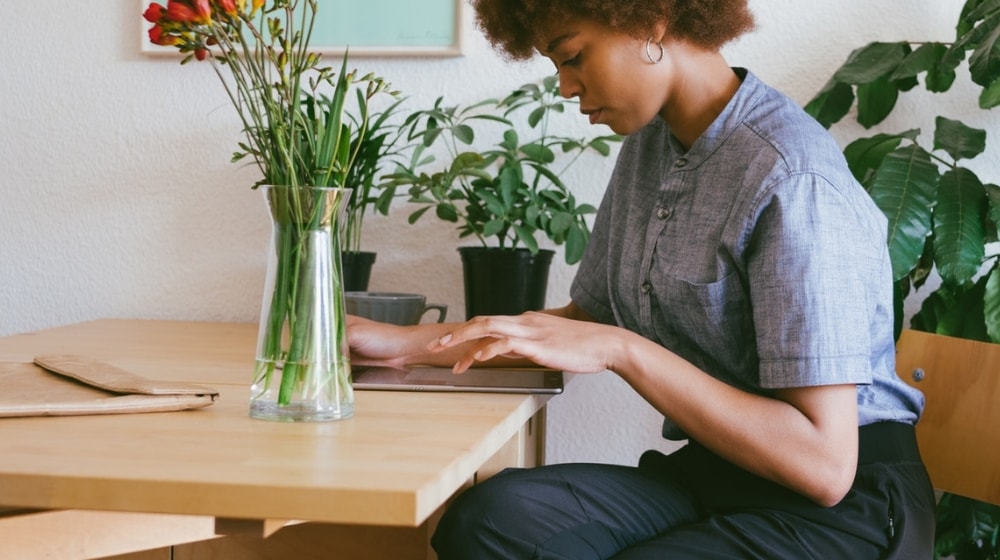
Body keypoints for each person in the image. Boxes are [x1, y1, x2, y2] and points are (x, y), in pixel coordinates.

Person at [346, 1, 936, 558]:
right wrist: (401, 348)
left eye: (573, 56)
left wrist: (622, 349)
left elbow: (824, 467)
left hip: (843, 510)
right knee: (490, 521)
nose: (566, 87)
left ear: (650, 20)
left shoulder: (791, 176)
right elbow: (583, 326)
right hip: (719, 474)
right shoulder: (652, 148)